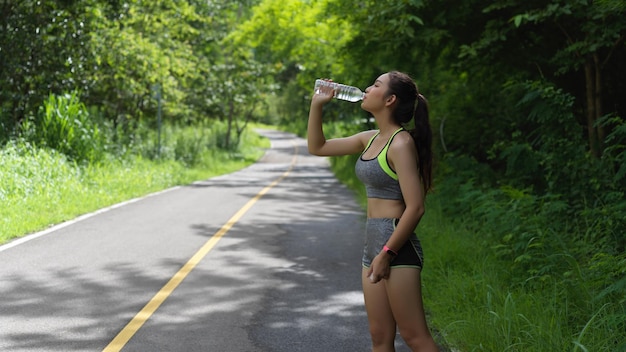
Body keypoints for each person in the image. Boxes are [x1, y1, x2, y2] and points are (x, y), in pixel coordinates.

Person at [307, 71, 439, 352]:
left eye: (376, 85)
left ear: (390, 99)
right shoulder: (370, 139)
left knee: (415, 336)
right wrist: (317, 105)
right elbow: (317, 147)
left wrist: (387, 253)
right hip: (372, 245)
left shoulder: (401, 144)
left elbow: (416, 208)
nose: (367, 88)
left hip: (395, 245)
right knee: (379, 337)